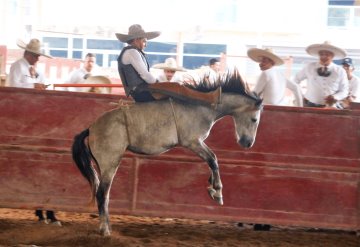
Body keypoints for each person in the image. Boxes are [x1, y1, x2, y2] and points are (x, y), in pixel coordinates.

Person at [8, 38, 61, 226]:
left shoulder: (35, 70)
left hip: (33, 117)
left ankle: (43, 211)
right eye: (37, 55)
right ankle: (45, 211)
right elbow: (12, 90)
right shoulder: (17, 67)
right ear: (29, 54)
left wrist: (41, 87)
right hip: (22, 117)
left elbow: (41, 84)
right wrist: (34, 87)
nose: (38, 58)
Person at [116, 24, 220, 104]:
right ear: (136, 39)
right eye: (144, 41)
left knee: (176, 88)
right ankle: (209, 98)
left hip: (140, 91)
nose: (145, 44)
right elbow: (145, 75)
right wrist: (158, 84)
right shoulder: (132, 52)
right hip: (141, 92)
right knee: (177, 88)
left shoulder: (131, 52)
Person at [294, 41, 348, 108]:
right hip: (310, 105)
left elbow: (344, 91)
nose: (323, 56)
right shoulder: (309, 67)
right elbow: (295, 80)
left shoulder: (340, 71)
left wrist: (335, 97)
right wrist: (300, 96)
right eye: (321, 54)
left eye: (327, 54)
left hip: (330, 107)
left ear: (332, 56)